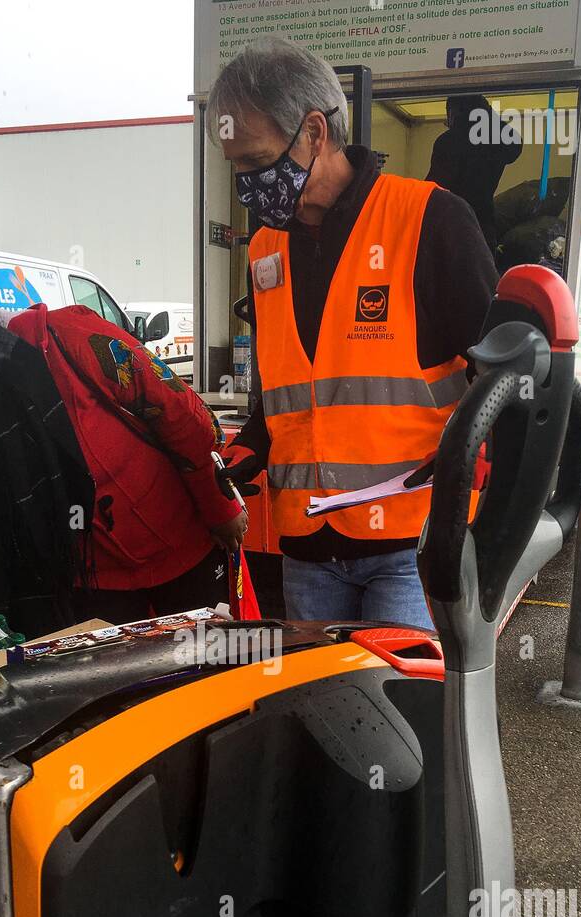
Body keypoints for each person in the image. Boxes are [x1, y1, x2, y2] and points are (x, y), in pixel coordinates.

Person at [209, 39, 498, 627]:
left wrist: (484, 528)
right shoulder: (265, 250)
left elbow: (499, 389)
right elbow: (294, 391)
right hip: (307, 548)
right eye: (234, 165)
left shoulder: (431, 220)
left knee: (395, 713)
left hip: (410, 547)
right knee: (321, 716)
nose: (245, 182)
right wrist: (247, 448)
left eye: (255, 160)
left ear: (315, 131)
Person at [0, 299, 246, 641]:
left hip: (183, 556)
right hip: (85, 590)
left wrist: (219, 505)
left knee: (208, 687)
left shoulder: (69, 343)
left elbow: (184, 418)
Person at [427, 95, 523, 255]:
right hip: (483, 225)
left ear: (453, 112)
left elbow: (435, 188)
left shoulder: (449, 141)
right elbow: (515, 144)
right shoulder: (494, 140)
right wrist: (487, 113)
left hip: (452, 227)